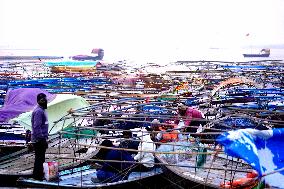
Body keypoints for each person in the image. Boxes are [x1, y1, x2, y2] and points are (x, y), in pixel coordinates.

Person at [31, 93, 49, 180]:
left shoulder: (42, 110)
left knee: (41, 158)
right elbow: (36, 127)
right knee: (39, 158)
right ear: (38, 101)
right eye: (42, 100)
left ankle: (38, 175)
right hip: (38, 140)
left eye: (45, 100)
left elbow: (43, 125)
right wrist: (42, 139)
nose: (44, 101)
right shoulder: (38, 111)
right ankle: (37, 176)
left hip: (41, 138)